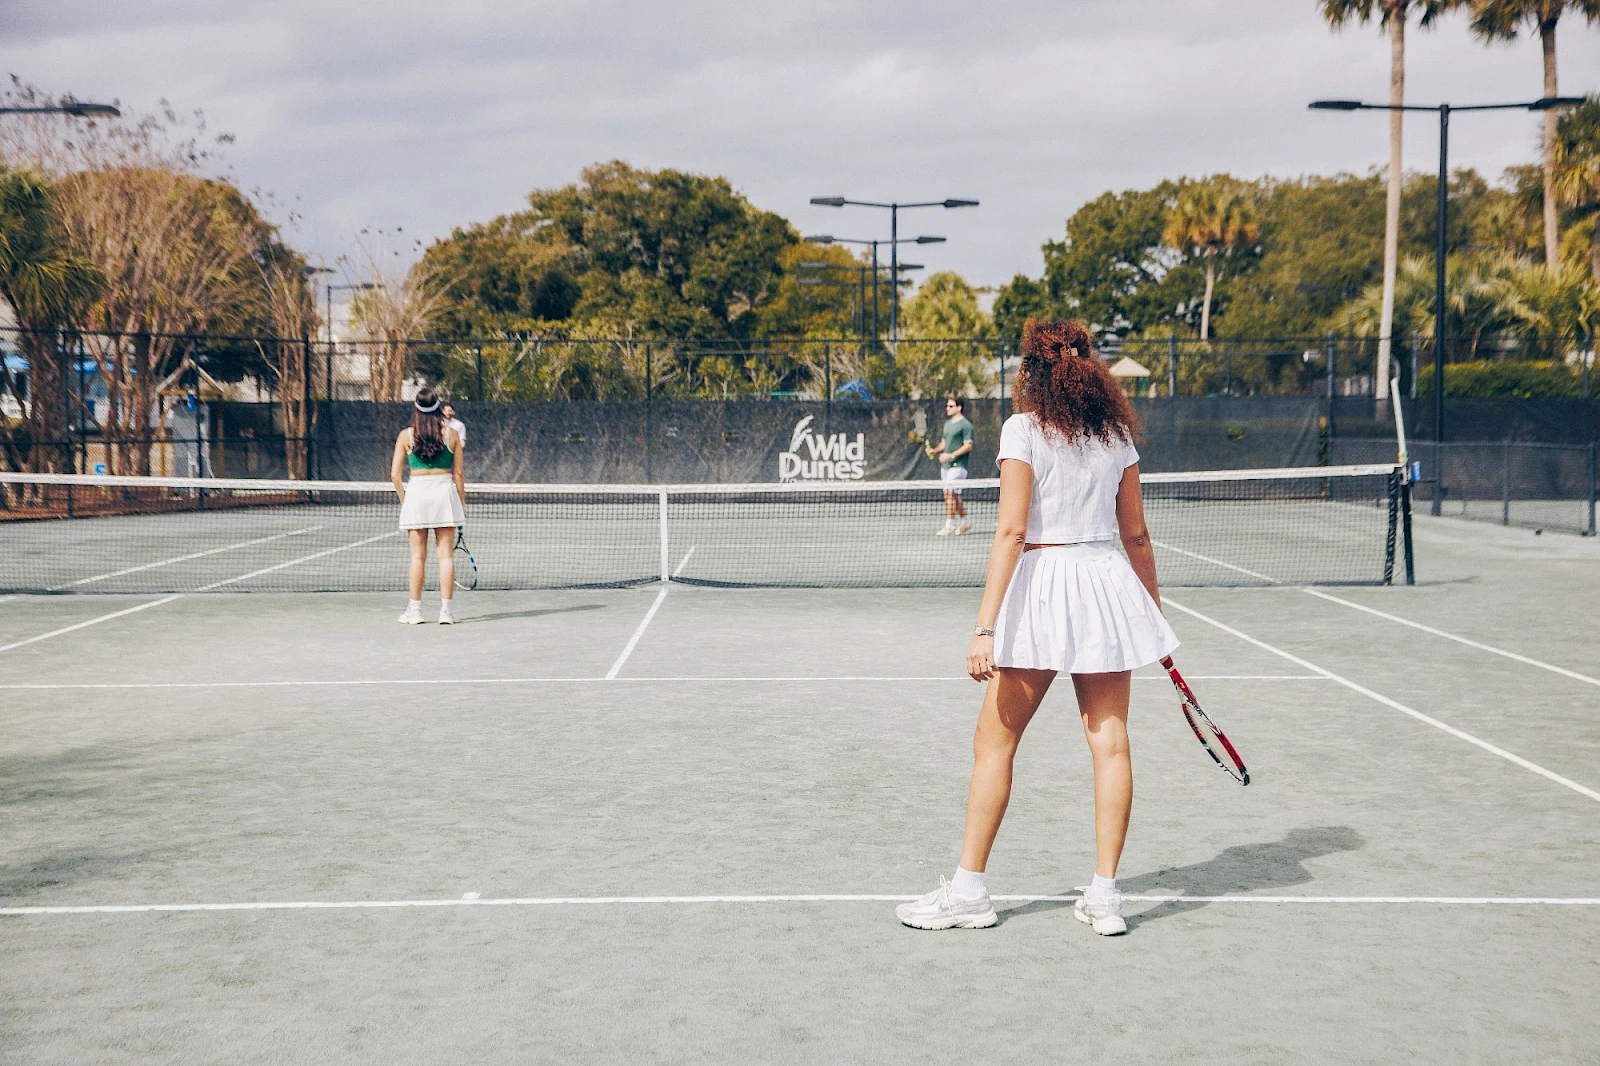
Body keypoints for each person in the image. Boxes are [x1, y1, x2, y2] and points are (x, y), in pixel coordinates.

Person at [896, 320, 1178, 936]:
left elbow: (1012, 532)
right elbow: (1136, 536)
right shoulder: (1117, 436)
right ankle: (1104, 898)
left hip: (1044, 591)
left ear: (1031, 371)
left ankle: (969, 892)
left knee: (993, 745)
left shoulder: (1022, 430)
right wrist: (1150, 618)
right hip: (1104, 588)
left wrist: (984, 630)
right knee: (1111, 745)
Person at [390, 387, 465, 625]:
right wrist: (461, 504)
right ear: (438, 408)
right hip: (444, 494)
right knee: (446, 557)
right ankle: (446, 612)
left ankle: (415, 611)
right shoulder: (452, 435)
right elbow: (459, 474)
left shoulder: (405, 436)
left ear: (416, 408)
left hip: (417, 494)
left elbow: (395, 475)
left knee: (417, 557)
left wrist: (405, 500)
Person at [931, 396, 973, 536]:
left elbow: (968, 445)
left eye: (950, 406)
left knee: (950, 494)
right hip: (946, 467)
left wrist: (951, 455)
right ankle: (966, 522)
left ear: (959, 407)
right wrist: (935, 450)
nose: (947, 408)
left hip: (958, 466)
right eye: (947, 406)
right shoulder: (947, 424)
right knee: (953, 495)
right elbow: (944, 443)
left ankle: (949, 525)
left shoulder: (966, 425)